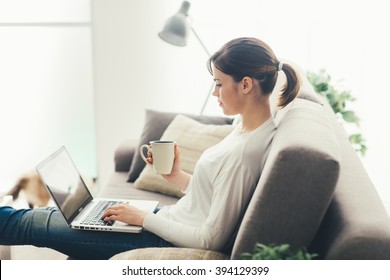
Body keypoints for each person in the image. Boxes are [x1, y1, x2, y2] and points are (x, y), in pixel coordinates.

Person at [0, 37, 300, 259]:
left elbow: (211, 238)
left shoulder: (249, 151)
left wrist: (141, 218)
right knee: (56, 226)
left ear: (246, 85)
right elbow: (215, 196)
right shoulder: (247, 128)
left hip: (163, 238)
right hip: (167, 221)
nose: (214, 92)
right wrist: (175, 176)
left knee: (27, 223)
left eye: (219, 83)